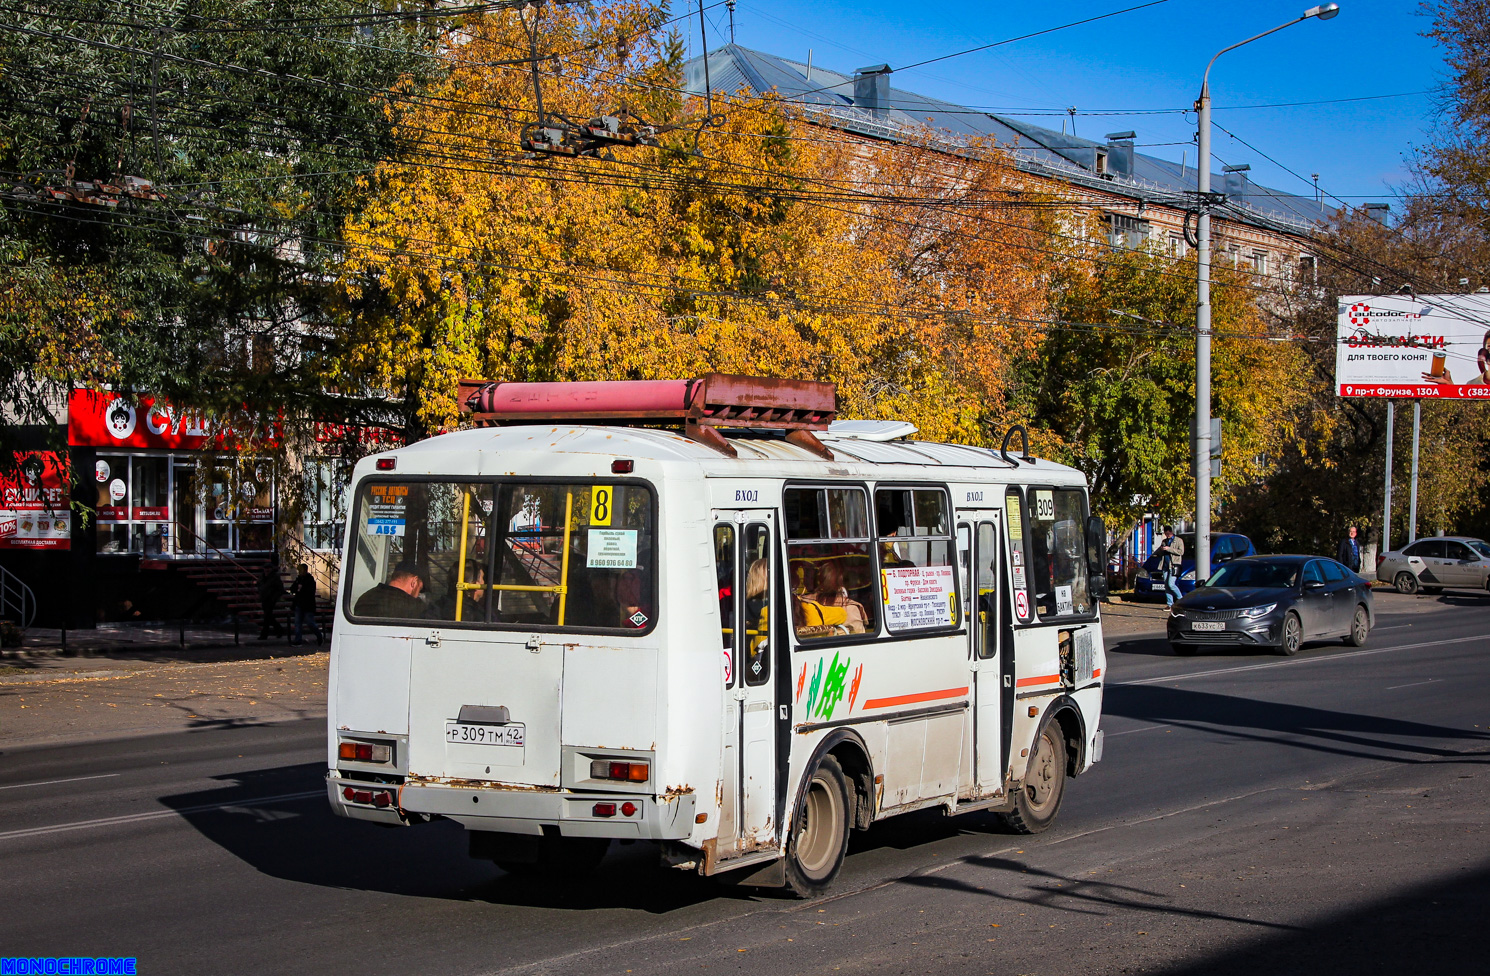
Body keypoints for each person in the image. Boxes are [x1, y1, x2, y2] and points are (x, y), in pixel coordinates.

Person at [353, 561, 428, 618]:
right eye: (419, 589)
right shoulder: (416, 607)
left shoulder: (365, 599)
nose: (418, 594)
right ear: (414, 582)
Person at [289, 563, 324, 646]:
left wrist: (301, 589)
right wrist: (298, 589)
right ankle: (298, 640)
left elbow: (310, 592)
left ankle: (319, 636)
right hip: (299, 604)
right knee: (298, 623)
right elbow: (292, 589)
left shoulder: (310, 580)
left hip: (308, 605)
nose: (299, 572)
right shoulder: (298, 579)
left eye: (301, 570)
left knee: (310, 622)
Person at [1154, 526, 1185, 607]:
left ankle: (1181, 599)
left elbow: (1181, 552)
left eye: (1167, 533)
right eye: (1165, 533)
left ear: (1171, 532)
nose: (1166, 535)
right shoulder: (1164, 541)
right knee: (1167, 586)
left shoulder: (1178, 540)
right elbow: (1159, 553)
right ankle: (1169, 604)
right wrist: (1161, 550)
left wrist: (1169, 549)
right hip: (1165, 565)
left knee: (1171, 584)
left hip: (1174, 565)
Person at [256, 554, 285, 639]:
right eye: (265, 568)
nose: (267, 570)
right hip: (264, 598)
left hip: (271, 599)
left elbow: (280, 589)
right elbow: (260, 586)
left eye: (268, 568)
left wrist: (274, 597)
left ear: (271, 569)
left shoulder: (274, 577)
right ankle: (279, 630)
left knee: (267, 617)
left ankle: (264, 635)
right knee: (268, 616)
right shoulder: (262, 577)